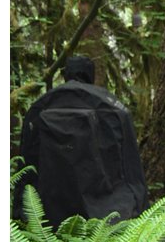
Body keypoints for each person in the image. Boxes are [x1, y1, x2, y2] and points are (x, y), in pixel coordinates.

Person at [14, 55, 149, 225]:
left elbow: (26, 166)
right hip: (106, 213)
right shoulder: (110, 106)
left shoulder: (41, 105)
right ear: (91, 74)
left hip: (45, 214)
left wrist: (20, 211)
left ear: (65, 73)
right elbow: (131, 167)